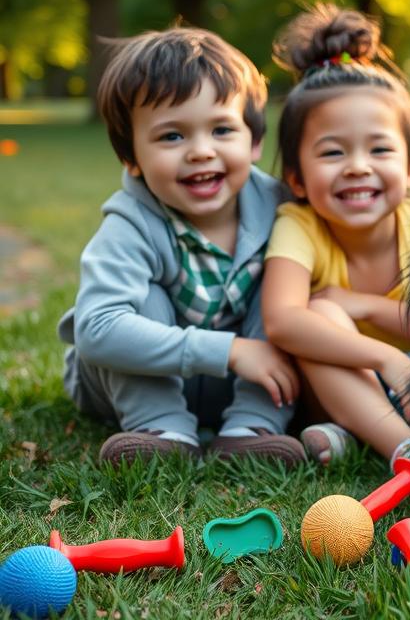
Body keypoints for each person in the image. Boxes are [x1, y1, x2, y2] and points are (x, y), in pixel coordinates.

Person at [58, 27, 304, 465]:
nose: (200, 151)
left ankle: (252, 428)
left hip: (238, 381)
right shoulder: (131, 224)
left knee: (291, 290)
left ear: (255, 140)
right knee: (135, 305)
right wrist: (227, 350)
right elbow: (96, 332)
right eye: (172, 136)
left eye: (222, 129)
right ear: (130, 157)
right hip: (133, 384)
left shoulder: (282, 209)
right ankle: (163, 431)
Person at [260, 4, 410, 482]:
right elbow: (282, 321)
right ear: (297, 178)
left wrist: (362, 305)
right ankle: (406, 450)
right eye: (333, 152)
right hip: (336, 385)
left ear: (409, 168)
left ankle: (346, 437)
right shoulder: (298, 225)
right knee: (319, 315)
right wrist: (384, 356)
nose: (358, 166)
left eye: (380, 149)